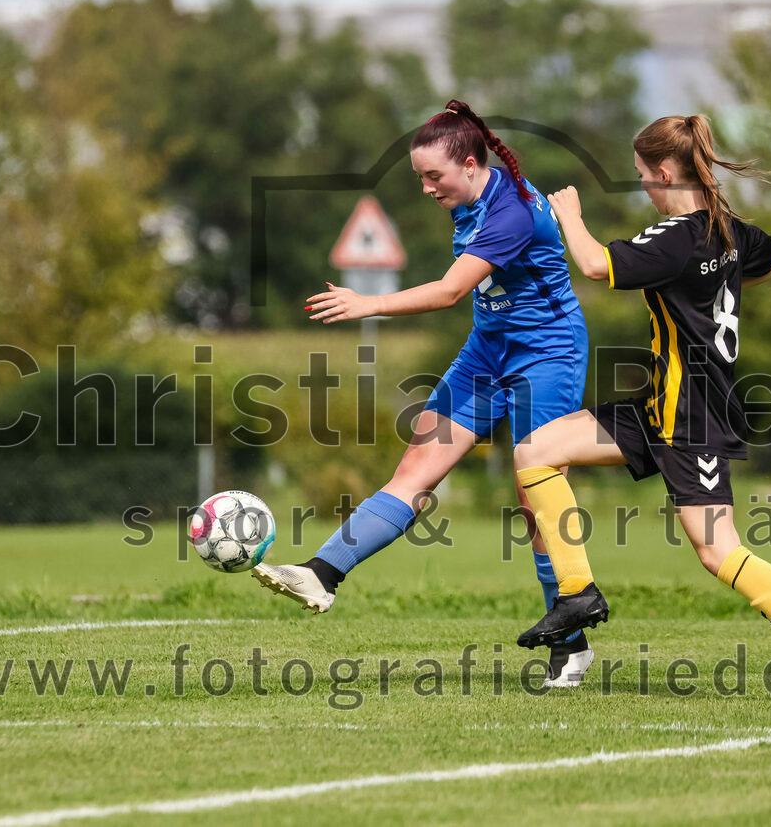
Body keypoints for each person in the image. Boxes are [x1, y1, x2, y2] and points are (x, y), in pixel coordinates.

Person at [511, 114, 771, 703]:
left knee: (718, 549)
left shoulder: (677, 238)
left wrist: (569, 215)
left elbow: (598, 265)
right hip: (659, 404)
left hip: (692, 417)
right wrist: (714, 288)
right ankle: (577, 593)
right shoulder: (728, 230)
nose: (644, 189)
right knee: (537, 450)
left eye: (642, 178)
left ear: (666, 171)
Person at [252, 100, 594, 687]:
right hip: (487, 353)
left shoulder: (511, 211)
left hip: (548, 355)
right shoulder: (472, 191)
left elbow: (448, 292)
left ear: (468, 163)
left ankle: (571, 641)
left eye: (434, 176)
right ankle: (322, 573)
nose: (428, 188)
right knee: (416, 465)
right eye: (419, 178)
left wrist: (370, 303)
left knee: (533, 494)